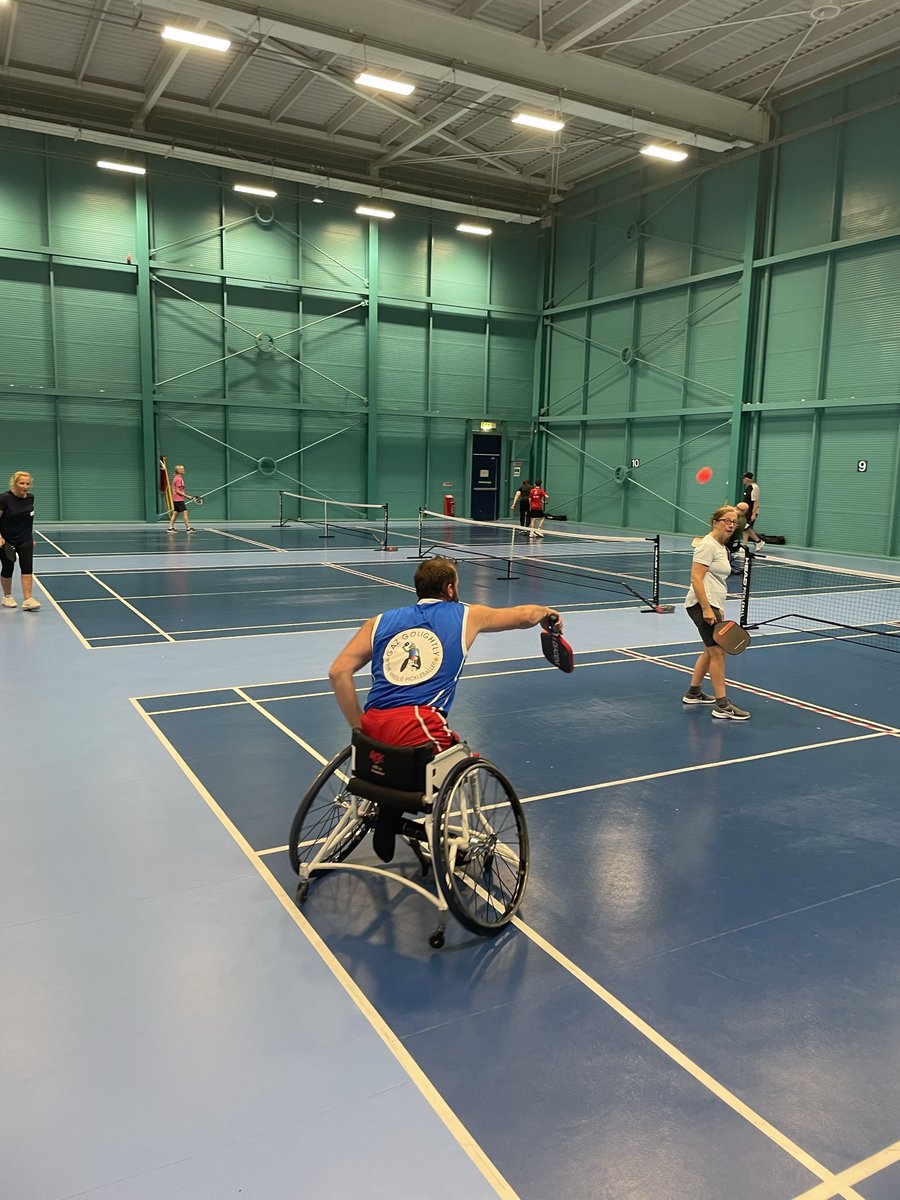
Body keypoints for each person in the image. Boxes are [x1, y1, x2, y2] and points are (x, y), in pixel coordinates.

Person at [329, 556, 562, 751]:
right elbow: (522, 615)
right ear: (450, 589)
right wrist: (545, 612)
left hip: (373, 725)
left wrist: (359, 728)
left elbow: (338, 672)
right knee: (462, 759)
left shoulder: (377, 622)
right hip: (419, 726)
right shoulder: (467, 616)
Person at [682, 505, 749, 720]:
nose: (731, 525)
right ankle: (722, 705)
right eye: (726, 521)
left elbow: (715, 580)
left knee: (709, 650)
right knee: (718, 653)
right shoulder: (707, 546)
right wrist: (706, 608)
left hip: (713, 604)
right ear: (715, 522)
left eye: (734, 522)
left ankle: (693, 693)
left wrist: (717, 607)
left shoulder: (721, 547)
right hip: (702, 605)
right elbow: (696, 578)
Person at [0, 470, 40, 611]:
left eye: (27, 483)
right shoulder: (4, 498)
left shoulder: (30, 498)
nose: (25, 486)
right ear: (15, 483)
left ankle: (28, 599)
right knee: (7, 568)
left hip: (25, 540)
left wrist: (30, 537)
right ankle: (7, 596)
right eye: (21, 483)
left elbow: (28, 520)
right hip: (7, 540)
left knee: (27, 567)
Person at [740, 472, 765, 552]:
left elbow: (755, 502)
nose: (743, 480)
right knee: (745, 528)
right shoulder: (748, 487)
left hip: (751, 511)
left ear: (748, 479)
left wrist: (753, 514)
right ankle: (744, 545)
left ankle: (759, 541)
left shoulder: (755, 487)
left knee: (745, 527)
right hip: (746, 511)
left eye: (744, 478)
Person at [168, 464, 194, 533]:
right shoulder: (178, 479)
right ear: (178, 470)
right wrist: (187, 496)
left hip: (176, 498)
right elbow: (177, 491)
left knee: (175, 513)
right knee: (185, 512)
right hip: (178, 498)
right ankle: (188, 528)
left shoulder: (177, 478)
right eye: (182, 469)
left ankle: (170, 528)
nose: (184, 470)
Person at [726, 501, 749, 573]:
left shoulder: (738, 519)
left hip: (731, 540)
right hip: (732, 540)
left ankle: (728, 567)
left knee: (729, 554)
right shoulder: (740, 517)